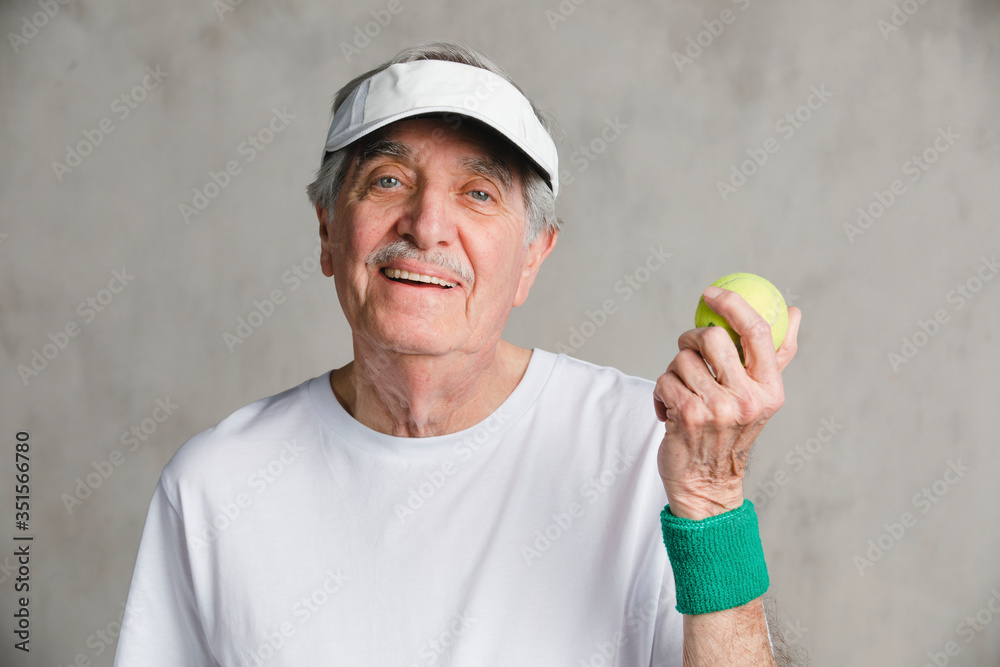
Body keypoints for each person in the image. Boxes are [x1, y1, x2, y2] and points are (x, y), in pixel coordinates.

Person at [114, 41, 802, 666]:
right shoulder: (216, 487)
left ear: (533, 256)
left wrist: (711, 505)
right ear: (327, 231)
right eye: (387, 179)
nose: (428, 225)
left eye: (477, 193)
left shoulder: (649, 448)